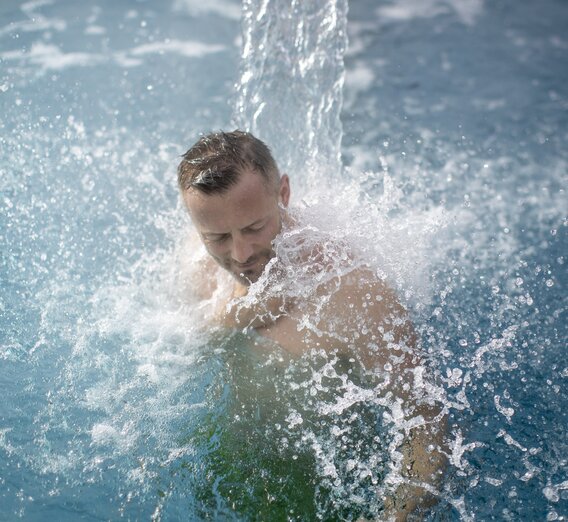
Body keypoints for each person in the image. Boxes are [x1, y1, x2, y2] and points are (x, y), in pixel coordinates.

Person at [177, 130, 446, 520]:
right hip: (233, 468)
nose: (240, 254)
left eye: (254, 228)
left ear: (283, 193)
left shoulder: (351, 291)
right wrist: (231, 316)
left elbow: (427, 421)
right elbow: (182, 342)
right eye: (217, 237)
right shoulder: (197, 261)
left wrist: (397, 513)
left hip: (326, 480)